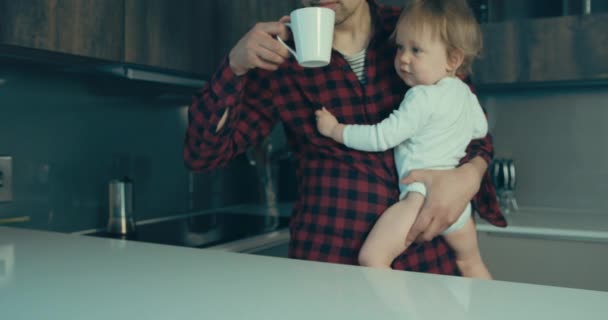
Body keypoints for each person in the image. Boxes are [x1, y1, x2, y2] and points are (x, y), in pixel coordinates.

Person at [184, 0, 506, 274]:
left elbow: (475, 134)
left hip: (430, 262)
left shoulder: (415, 27)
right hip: (329, 266)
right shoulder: (280, 53)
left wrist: (469, 177)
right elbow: (203, 154)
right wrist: (235, 66)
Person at [315, 0, 492, 279]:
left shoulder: (420, 97)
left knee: (372, 259)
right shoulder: (465, 95)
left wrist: (336, 130)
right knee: (471, 265)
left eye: (416, 50)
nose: (403, 58)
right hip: (457, 207)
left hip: (419, 197)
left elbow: (381, 137)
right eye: (400, 47)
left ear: (453, 60)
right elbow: (480, 130)